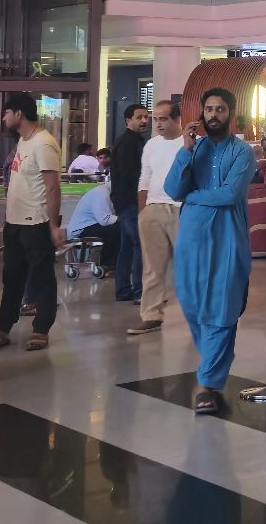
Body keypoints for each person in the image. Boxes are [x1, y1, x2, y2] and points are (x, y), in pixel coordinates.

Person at [168, 88, 258, 413]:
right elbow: (172, 189)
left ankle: (208, 383)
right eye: (209, 109)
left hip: (227, 238)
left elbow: (230, 194)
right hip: (192, 240)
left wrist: (193, 197)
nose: (214, 115)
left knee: (222, 307)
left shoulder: (243, 152)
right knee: (192, 304)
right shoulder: (194, 149)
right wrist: (186, 151)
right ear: (201, 113)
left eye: (220, 109)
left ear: (230, 113)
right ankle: (211, 361)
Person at [0, 92, 63, 353]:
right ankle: (3, 327)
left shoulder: (44, 143)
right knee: (12, 278)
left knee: (42, 279)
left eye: (6, 113)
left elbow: (53, 187)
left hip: (36, 223)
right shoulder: (23, 141)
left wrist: (53, 225)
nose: (4, 118)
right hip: (14, 222)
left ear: (19, 113)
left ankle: (41, 329)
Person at [130, 99, 184, 336]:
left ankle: (200, 313)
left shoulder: (189, 143)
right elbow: (144, 178)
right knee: (152, 267)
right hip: (153, 208)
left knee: (191, 264)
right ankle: (151, 315)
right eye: (156, 119)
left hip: (180, 208)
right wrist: (143, 210)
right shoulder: (151, 145)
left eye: (163, 119)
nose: (158, 124)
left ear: (176, 119)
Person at [110, 104, 149, 303]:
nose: (144, 121)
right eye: (139, 117)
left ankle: (123, 289)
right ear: (128, 120)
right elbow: (131, 174)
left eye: (146, 117)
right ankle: (140, 291)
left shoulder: (133, 141)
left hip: (126, 202)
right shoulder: (128, 143)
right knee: (141, 244)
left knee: (127, 247)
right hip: (131, 202)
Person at [67, 179, 121, 271]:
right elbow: (104, 220)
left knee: (118, 228)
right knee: (118, 230)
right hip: (81, 230)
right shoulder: (102, 193)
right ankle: (108, 264)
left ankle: (112, 263)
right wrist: (123, 219)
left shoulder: (109, 193)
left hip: (90, 226)